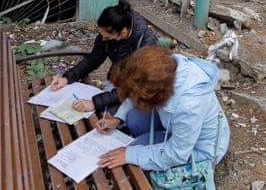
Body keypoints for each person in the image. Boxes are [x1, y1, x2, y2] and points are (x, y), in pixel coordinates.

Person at [96, 45, 230, 182]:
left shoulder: (189, 106)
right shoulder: (165, 67)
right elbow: (135, 91)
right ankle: (151, 143)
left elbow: (177, 153)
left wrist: (129, 154)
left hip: (200, 148)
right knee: (134, 119)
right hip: (180, 125)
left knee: (137, 148)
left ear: (157, 95)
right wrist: (117, 118)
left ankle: (149, 149)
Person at [50, 0, 158, 114]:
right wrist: (67, 78)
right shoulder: (110, 31)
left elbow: (134, 86)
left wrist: (94, 103)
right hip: (118, 83)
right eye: (101, 34)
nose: (102, 39)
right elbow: (92, 61)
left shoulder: (146, 44)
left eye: (106, 37)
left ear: (124, 33)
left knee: (107, 115)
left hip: (141, 93)